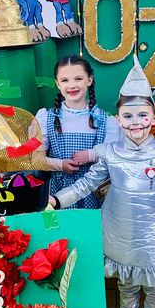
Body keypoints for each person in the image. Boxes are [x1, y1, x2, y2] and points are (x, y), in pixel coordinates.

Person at [49, 57, 155, 308]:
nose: (135, 122)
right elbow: (86, 183)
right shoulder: (109, 152)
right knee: (125, 286)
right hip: (119, 229)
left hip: (153, 233)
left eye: (142, 115)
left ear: (153, 117)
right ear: (119, 119)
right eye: (128, 116)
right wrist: (58, 198)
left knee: (153, 290)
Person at [34, 56, 119, 209]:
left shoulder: (106, 120)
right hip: (56, 194)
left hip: (93, 192)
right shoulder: (46, 117)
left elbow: (112, 155)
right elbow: (35, 159)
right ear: (57, 83)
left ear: (89, 80)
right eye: (65, 80)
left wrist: (90, 155)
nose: (72, 85)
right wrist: (60, 165)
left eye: (78, 78)